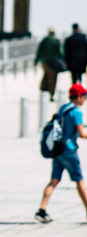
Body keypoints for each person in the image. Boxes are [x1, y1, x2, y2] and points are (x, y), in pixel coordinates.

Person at [35, 83, 87, 224]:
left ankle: (42, 210)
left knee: (54, 181)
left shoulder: (64, 108)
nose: (85, 100)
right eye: (84, 97)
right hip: (69, 151)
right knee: (80, 181)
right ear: (80, 97)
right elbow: (82, 133)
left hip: (58, 151)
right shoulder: (76, 112)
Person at [34, 27, 63, 101]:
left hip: (44, 62)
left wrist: (36, 61)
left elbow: (39, 51)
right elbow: (60, 52)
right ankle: (50, 93)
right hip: (52, 63)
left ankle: (44, 90)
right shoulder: (56, 41)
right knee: (52, 78)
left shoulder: (45, 40)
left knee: (46, 76)